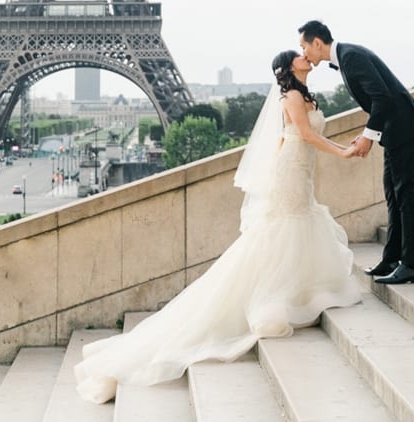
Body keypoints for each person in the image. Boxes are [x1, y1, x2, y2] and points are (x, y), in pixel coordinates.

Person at [72, 50, 362, 404]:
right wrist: (343, 151)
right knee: (284, 232)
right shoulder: (291, 96)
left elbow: (292, 138)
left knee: (290, 231)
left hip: (298, 170)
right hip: (293, 169)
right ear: (288, 68)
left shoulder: (303, 94)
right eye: (299, 55)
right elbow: (303, 132)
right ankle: (275, 298)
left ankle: (291, 292)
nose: (306, 56)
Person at [298, 19, 414, 285]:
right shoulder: (347, 56)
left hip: (403, 125)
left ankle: (413, 265)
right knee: (393, 193)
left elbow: (382, 97)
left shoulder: (351, 57)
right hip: (395, 126)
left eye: (304, 46)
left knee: (405, 192)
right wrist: (370, 132)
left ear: (318, 43)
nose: (303, 53)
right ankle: (392, 258)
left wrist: (370, 136)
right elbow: (380, 99)